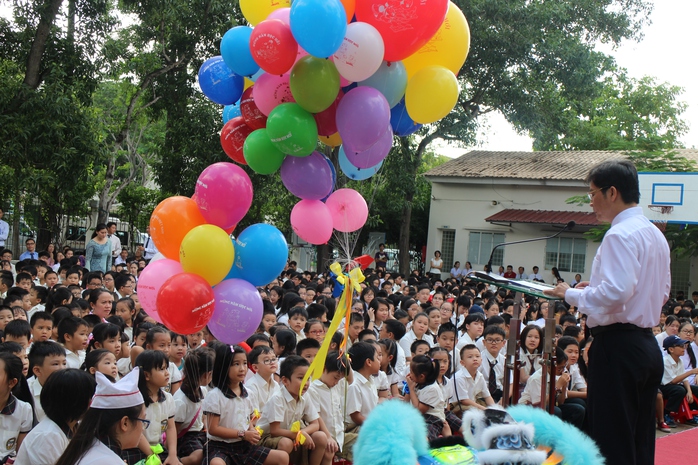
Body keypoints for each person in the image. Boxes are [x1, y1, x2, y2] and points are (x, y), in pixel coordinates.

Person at [545, 159, 670, 465]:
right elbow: (658, 292)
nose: (591, 202)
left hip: (618, 348)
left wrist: (570, 293)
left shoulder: (619, 234)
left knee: (612, 439)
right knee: (639, 439)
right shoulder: (654, 234)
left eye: (592, 193)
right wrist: (594, 287)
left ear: (611, 192)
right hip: (644, 345)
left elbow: (616, 294)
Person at [55, 368, 146, 465]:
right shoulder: (107, 460)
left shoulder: (90, 447)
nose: (143, 429)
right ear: (125, 423)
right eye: (143, 421)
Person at [15, 368, 96, 465]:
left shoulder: (73, 426)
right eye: (92, 397)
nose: (94, 403)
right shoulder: (48, 435)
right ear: (77, 402)